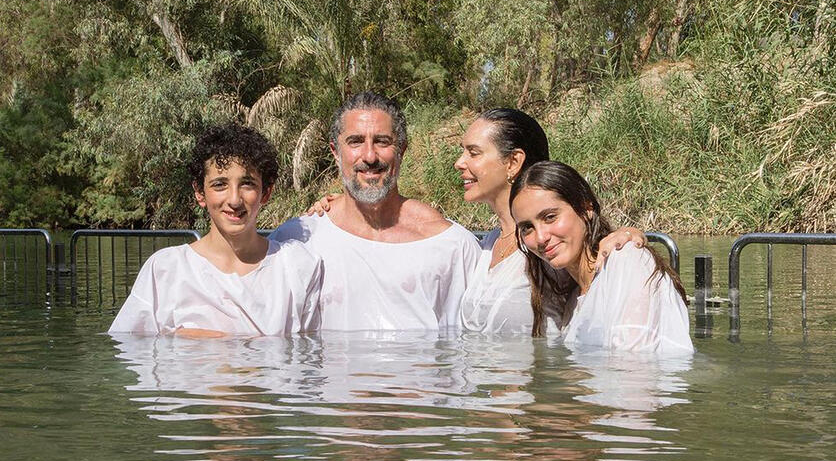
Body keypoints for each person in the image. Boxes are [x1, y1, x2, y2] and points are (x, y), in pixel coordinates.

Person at [269, 92, 481, 331]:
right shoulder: (298, 241)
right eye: (355, 141)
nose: (369, 156)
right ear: (335, 152)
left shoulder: (452, 246)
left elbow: (474, 348)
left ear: (401, 149)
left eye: (382, 141)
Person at [109, 123, 321, 336]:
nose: (234, 200)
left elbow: (312, 355)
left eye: (247, 184)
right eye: (220, 185)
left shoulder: (297, 266)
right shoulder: (166, 269)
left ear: (266, 193)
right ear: (200, 193)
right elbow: (129, 346)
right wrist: (176, 340)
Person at [453, 109, 645, 334]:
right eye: (463, 152)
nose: (459, 163)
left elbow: (598, 269)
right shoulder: (489, 244)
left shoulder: (549, 243)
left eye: (473, 153)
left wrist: (629, 235)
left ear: (513, 162)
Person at [510, 161, 693, 354]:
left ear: (586, 208)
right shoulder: (573, 299)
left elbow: (635, 366)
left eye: (550, 217)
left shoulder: (626, 259)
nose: (540, 237)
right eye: (527, 228)